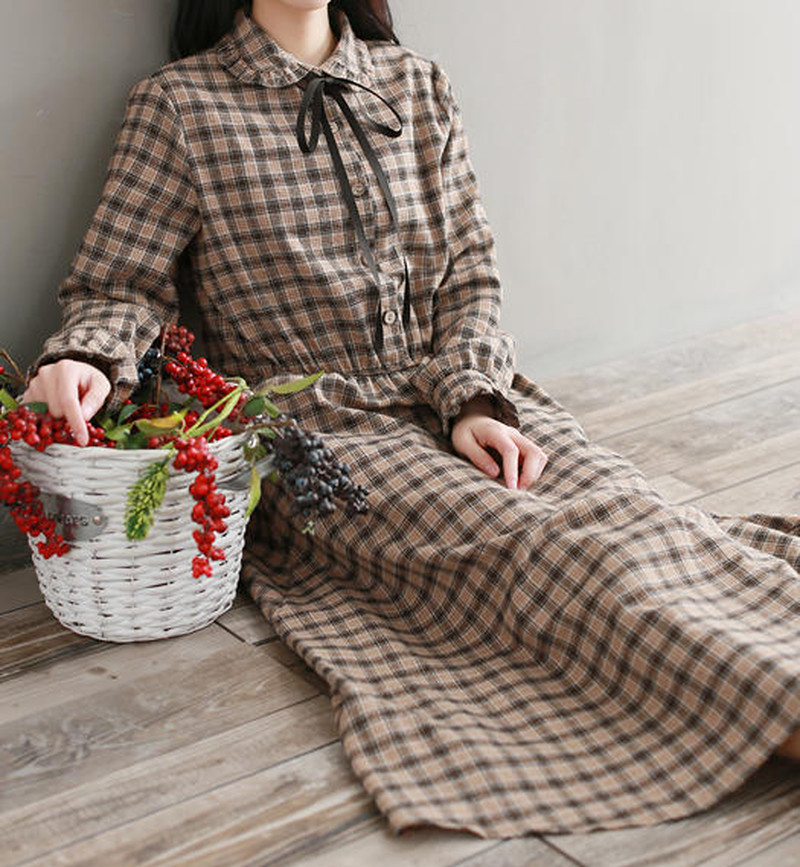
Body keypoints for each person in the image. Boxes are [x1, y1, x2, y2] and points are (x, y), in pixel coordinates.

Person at [23, 0, 800, 838]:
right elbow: (119, 285)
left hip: (453, 393)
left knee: (633, 512)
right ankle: (773, 704)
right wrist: (85, 357)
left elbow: (470, 272)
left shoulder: (417, 85)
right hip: (315, 436)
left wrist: (472, 399)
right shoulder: (179, 104)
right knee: (547, 549)